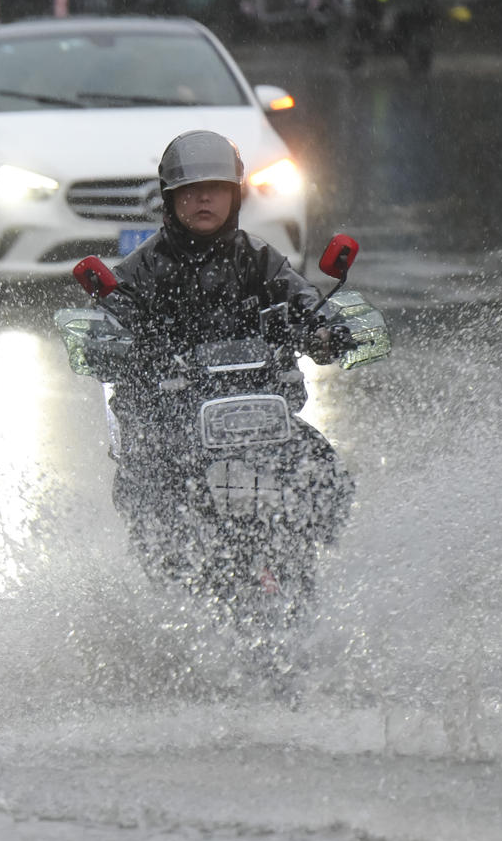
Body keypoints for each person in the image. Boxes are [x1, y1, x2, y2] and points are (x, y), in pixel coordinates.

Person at [98, 129, 356, 547]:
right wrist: (117, 344)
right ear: (170, 197)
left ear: (234, 196)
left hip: (255, 411)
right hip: (174, 413)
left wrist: (323, 328)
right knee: (144, 479)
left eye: (216, 190)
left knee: (324, 473)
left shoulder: (258, 259)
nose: (204, 200)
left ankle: (304, 553)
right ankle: (169, 568)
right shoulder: (142, 268)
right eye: (192, 190)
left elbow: (301, 296)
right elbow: (109, 320)